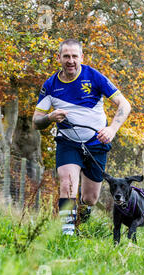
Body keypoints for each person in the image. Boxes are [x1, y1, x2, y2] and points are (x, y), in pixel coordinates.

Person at [32, 39, 131, 235]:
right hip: (68, 142)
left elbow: (124, 105)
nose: (70, 61)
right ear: (59, 58)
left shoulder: (94, 77)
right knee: (67, 183)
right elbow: (36, 121)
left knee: (90, 198)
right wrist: (50, 117)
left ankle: (83, 213)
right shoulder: (50, 85)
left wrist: (111, 129)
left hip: (96, 142)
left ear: (81, 58)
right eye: (66, 56)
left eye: (74, 56)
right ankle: (67, 235)